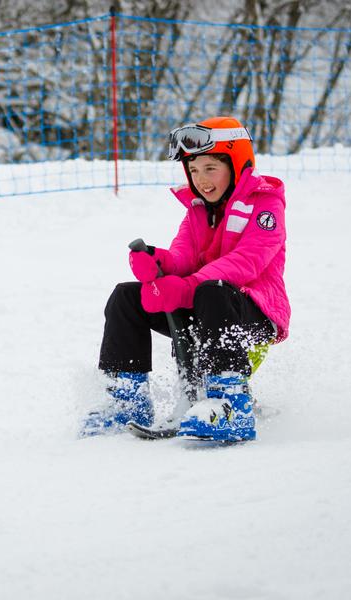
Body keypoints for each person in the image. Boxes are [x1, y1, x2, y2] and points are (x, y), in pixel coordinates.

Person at [81, 116, 290, 442]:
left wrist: (188, 286)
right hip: (205, 303)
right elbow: (183, 257)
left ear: (237, 165)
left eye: (210, 168)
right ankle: (128, 400)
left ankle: (231, 406)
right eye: (193, 171)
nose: (201, 180)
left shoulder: (265, 205)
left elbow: (247, 261)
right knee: (126, 297)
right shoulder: (196, 210)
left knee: (213, 291)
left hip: (251, 312)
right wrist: (157, 262)